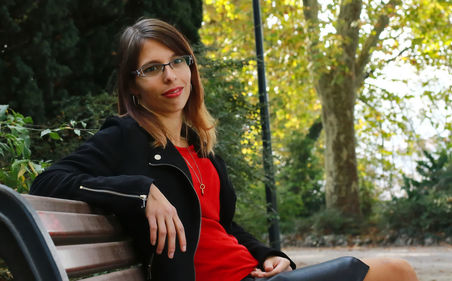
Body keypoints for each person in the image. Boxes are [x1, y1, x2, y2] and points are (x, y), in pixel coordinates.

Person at [30, 18, 419, 281]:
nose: (170, 76)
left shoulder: (199, 144)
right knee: (394, 271)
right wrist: (142, 191)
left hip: (250, 273)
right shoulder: (125, 136)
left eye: (177, 61)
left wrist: (267, 254)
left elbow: (222, 226)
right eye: (152, 68)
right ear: (133, 85)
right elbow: (48, 181)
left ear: (190, 67)